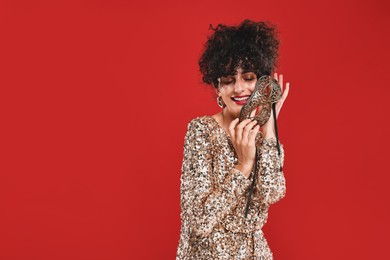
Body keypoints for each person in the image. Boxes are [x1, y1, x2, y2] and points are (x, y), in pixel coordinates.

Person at [176, 19, 290, 259]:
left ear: (262, 83)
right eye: (228, 80)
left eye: (248, 77)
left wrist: (269, 128)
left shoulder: (262, 137)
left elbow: (272, 192)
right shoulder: (202, 130)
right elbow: (200, 221)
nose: (239, 89)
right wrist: (243, 166)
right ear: (217, 87)